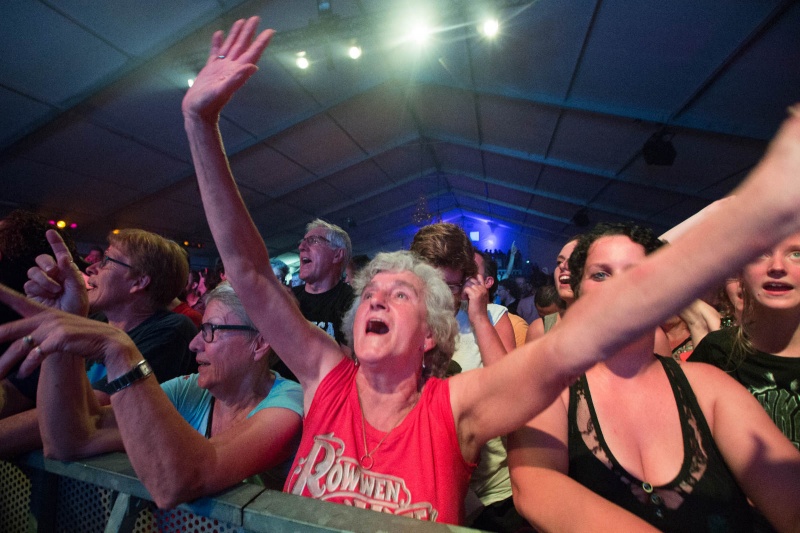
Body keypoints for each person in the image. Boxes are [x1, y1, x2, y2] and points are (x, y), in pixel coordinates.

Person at [5, 16, 789, 525]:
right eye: (371, 289)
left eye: (401, 292)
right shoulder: (323, 376)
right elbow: (245, 266)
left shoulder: (459, 405)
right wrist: (198, 122)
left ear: (434, 333)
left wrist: (755, 214)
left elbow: (576, 341)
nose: (377, 295)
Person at [507, 222, 800, 532]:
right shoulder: (548, 390)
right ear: (577, 293)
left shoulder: (711, 387)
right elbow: (535, 487)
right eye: (600, 274)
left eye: (638, 272)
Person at [17, 246, 304, 507]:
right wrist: (62, 326)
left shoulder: (289, 402)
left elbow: (178, 484)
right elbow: (68, 440)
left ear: (260, 342)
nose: (195, 344)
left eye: (210, 331)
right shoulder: (187, 390)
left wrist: (122, 354)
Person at [0, 228, 198, 458]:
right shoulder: (91, 320)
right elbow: (17, 390)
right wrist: (63, 316)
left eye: (106, 261)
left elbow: (84, 415)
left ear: (139, 281)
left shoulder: (172, 329)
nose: (90, 268)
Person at [410, 223, 519, 530]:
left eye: (451, 286)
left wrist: (479, 316)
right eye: (429, 284)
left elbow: (511, 393)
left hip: (488, 492)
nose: (441, 297)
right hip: (421, 489)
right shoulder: (402, 317)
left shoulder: (491, 316)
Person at [689, 232, 800, 449]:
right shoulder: (718, 352)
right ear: (740, 272)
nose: (777, 267)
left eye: (797, 254)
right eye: (759, 254)